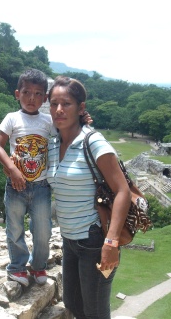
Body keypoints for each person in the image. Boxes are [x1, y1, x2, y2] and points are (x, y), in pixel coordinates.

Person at [46, 76, 131, 318]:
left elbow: (122, 190)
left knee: (95, 311)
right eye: (54, 104)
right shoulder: (54, 143)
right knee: (73, 303)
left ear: (81, 108)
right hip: (70, 240)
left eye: (66, 104)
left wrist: (111, 242)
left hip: (94, 240)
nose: (59, 110)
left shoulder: (92, 141)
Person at [0, 68, 54, 286]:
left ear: (45, 98)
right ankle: (17, 267)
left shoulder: (48, 122)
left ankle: (38, 266)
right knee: (15, 227)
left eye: (38, 94)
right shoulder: (11, 118)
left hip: (41, 186)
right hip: (15, 185)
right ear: (17, 94)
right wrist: (11, 168)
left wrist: (83, 119)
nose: (32, 98)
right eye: (27, 92)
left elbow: (67, 133)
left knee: (43, 230)